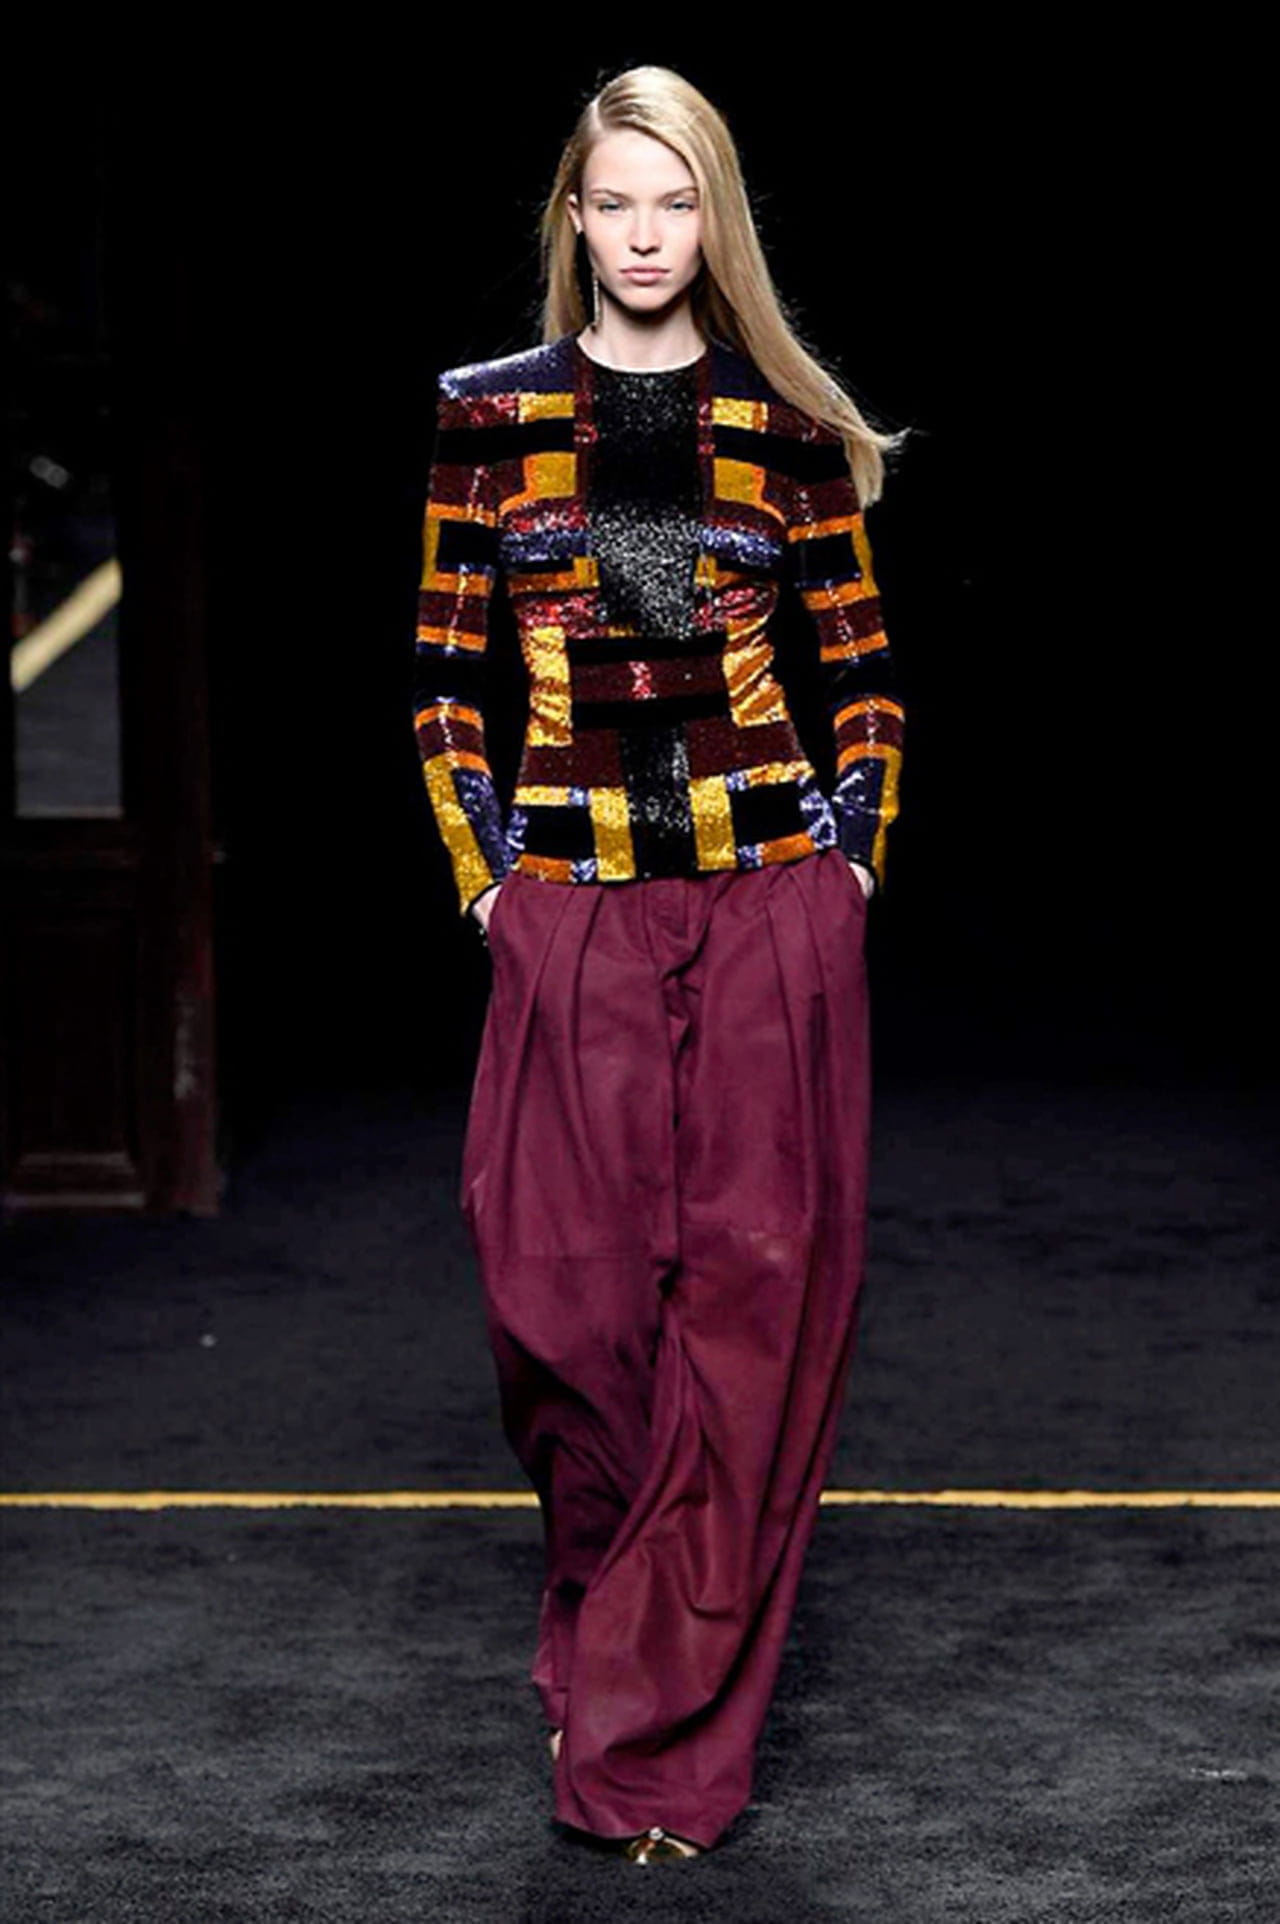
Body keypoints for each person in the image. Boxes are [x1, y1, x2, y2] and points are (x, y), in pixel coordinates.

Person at [411, 63, 906, 1865]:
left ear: (716, 220)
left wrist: (851, 866)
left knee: (756, 1311)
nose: (643, 234)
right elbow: (442, 676)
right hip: (572, 907)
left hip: (768, 897)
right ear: (573, 216)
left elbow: (864, 673)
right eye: (614, 201)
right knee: (562, 1306)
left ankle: (658, 1734)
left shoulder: (787, 427)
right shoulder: (487, 417)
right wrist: (488, 885)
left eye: (675, 202)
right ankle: (609, 1615)